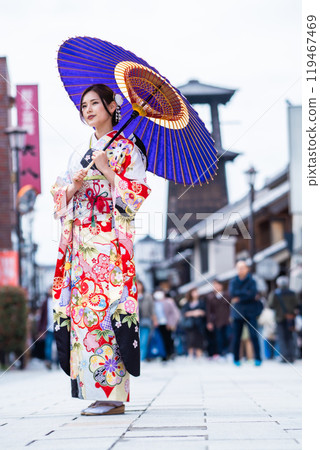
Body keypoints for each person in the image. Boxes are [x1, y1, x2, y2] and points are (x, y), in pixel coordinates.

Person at [51, 84, 151, 415]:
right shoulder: (79, 151)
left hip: (109, 246)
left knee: (110, 314)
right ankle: (93, 391)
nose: (88, 109)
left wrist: (108, 170)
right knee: (82, 317)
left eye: (95, 103)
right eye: (84, 105)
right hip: (81, 245)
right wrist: (73, 186)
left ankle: (112, 394)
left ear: (112, 106)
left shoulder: (129, 149)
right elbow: (59, 200)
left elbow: (134, 198)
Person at [229, 260, 262, 366]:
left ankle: (257, 358)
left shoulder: (252, 280)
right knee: (236, 337)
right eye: (239, 268)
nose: (241, 270)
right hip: (238, 313)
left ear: (247, 269)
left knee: (254, 336)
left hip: (251, 312)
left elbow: (252, 294)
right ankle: (236, 359)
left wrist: (240, 296)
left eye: (243, 267)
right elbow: (232, 293)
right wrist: (246, 293)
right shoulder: (233, 281)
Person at [267, 276, 300, 363]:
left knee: (282, 338)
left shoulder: (275, 293)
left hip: (280, 318)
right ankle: (292, 356)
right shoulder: (293, 293)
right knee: (291, 337)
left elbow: (270, 305)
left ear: (278, 284)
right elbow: (297, 304)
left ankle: (284, 357)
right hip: (291, 318)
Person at [206, 280, 231, 359]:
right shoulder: (210, 297)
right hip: (217, 321)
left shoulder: (227, 295)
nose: (216, 287)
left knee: (228, 336)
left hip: (227, 320)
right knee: (219, 338)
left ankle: (228, 352)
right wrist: (209, 322)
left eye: (217, 285)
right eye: (214, 285)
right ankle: (220, 354)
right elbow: (209, 311)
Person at [153, 288, 180, 361]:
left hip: (168, 323)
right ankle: (164, 355)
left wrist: (172, 323)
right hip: (158, 324)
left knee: (169, 339)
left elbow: (175, 313)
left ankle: (171, 353)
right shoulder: (154, 303)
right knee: (161, 340)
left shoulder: (169, 301)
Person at [136, 280, 157, 360]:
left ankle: (141, 359)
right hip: (134, 321)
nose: (138, 286)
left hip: (145, 321)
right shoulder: (131, 296)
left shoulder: (147, 296)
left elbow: (152, 309)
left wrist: (155, 320)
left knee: (143, 341)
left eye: (139, 284)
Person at [182, 288, 206, 358]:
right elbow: (184, 313)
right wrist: (194, 313)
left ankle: (199, 356)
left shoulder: (201, 302)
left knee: (199, 340)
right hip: (190, 325)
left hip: (200, 324)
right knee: (190, 340)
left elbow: (205, 312)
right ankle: (190, 355)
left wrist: (200, 312)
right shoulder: (187, 303)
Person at [39, 286, 55, 369]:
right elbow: (42, 316)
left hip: (58, 327)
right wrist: (41, 330)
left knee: (59, 346)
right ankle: (48, 361)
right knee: (48, 345)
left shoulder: (58, 300)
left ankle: (59, 362)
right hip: (48, 328)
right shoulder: (46, 302)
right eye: (50, 290)